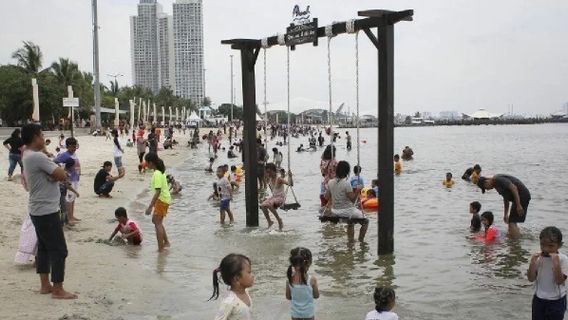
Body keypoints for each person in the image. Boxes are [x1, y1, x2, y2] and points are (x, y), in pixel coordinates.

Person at [21, 123, 77, 299]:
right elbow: (61, 175)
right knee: (60, 250)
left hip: (38, 209)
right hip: (46, 210)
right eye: (41, 134)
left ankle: (45, 285)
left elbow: (54, 174)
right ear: (35, 137)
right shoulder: (37, 157)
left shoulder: (29, 155)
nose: (43, 138)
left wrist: (54, 172)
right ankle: (58, 289)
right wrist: (57, 171)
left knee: (44, 248)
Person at [527, 226, 568, 320]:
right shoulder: (538, 258)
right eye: (542, 245)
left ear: (559, 245)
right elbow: (531, 279)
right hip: (538, 299)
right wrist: (532, 263)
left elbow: (559, 281)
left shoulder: (563, 259)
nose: (546, 249)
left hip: (557, 300)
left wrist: (556, 263)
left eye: (551, 246)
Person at [324, 161, 369, 242]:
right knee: (365, 221)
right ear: (346, 172)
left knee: (350, 222)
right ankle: (361, 241)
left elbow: (326, 197)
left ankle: (350, 242)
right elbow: (353, 199)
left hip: (334, 211)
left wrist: (331, 191)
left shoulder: (330, 182)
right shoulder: (346, 183)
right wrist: (358, 190)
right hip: (347, 211)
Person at [210, 253, 254, 320]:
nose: (252, 275)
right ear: (237, 278)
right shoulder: (229, 302)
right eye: (249, 272)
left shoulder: (246, 292)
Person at [144, 153, 171, 252]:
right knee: (157, 221)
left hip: (162, 199)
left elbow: (158, 191)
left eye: (146, 162)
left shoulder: (157, 173)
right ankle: (166, 242)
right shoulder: (159, 171)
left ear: (151, 163)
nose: (146, 164)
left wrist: (150, 206)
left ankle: (161, 248)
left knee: (157, 223)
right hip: (164, 199)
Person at [286, 247, 319, 320]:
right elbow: (316, 296)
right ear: (308, 263)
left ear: (293, 263)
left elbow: (288, 297)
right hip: (309, 314)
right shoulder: (312, 280)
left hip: (295, 314)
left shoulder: (289, 280)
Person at [54, 137, 81, 224]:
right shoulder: (65, 155)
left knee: (73, 198)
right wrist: (63, 169)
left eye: (75, 146)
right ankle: (69, 218)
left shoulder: (74, 154)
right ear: (68, 146)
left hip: (76, 178)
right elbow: (55, 162)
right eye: (72, 147)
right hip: (70, 180)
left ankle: (72, 215)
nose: (74, 148)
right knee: (69, 199)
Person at [260, 163, 293, 231]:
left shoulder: (279, 179)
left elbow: (290, 184)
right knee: (262, 205)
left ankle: (279, 220)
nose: (269, 174)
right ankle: (270, 221)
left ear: (274, 171)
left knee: (268, 204)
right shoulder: (269, 179)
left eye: (270, 172)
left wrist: (290, 176)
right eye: (267, 172)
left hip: (280, 198)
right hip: (274, 198)